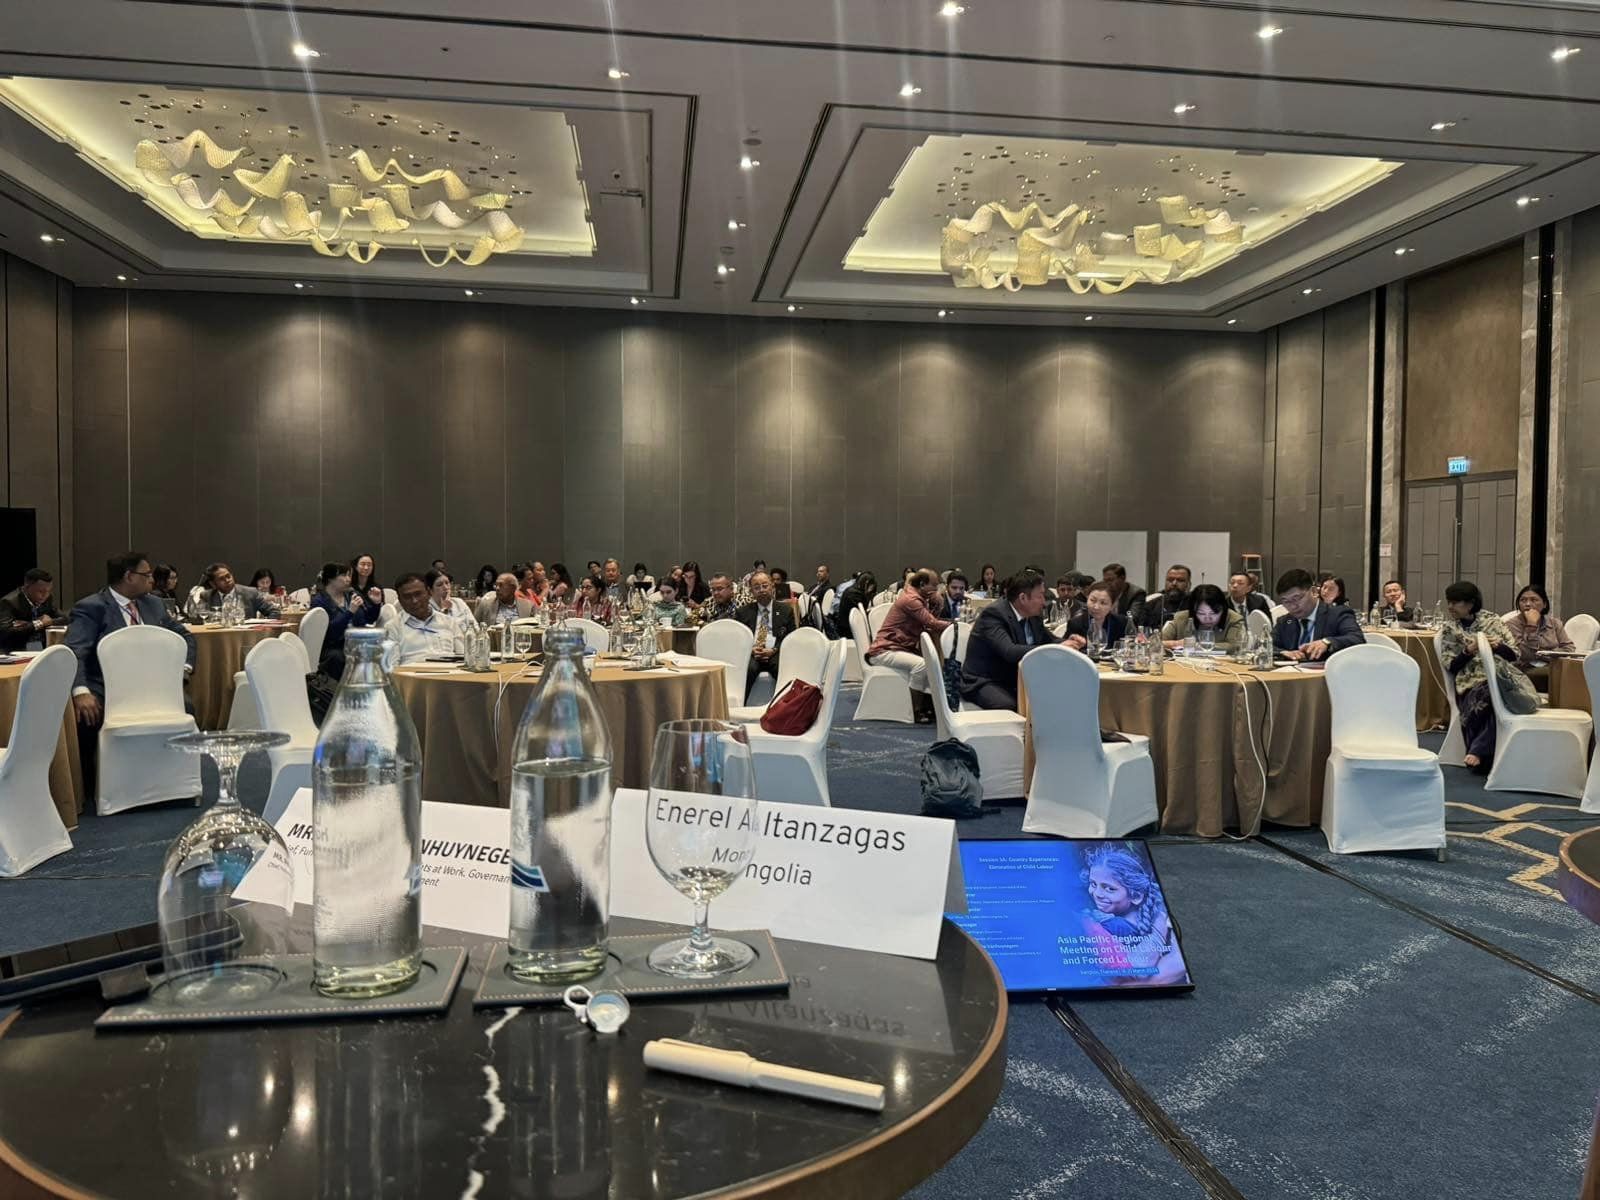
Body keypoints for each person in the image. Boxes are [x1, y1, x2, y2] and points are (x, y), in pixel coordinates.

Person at [65, 551, 197, 792]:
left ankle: (170, 779)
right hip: (106, 685)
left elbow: (184, 636)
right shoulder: (92, 607)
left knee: (186, 706)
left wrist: (183, 670)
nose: (152, 580)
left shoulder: (153, 604)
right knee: (87, 714)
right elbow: (75, 652)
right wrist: (80, 691)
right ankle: (91, 785)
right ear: (129, 576)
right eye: (147, 574)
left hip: (151, 684)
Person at [1439, 580, 1536, 771]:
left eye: (1455, 602)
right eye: (1449, 602)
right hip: (1469, 682)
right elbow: (1451, 665)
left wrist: (1497, 646)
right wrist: (1469, 650)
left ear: (1470, 603)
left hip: (1501, 677)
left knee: (1494, 690)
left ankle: (1478, 750)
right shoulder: (1450, 629)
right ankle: (1481, 753)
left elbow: (1514, 655)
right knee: (1489, 694)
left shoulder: (1493, 621)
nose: (1450, 607)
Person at [960, 569, 1054, 711]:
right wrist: (1051, 649)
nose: (1044, 602)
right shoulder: (994, 614)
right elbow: (1009, 651)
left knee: (1053, 695)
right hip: (985, 681)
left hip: (1015, 679)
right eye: (1040, 596)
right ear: (1023, 598)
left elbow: (1050, 640)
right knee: (1011, 705)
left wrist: (1069, 644)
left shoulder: (1033, 616)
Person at [865, 569, 949, 716]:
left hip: (897, 647)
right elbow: (931, 623)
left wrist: (937, 604)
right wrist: (955, 625)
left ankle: (928, 705)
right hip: (884, 650)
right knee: (922, 665)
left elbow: (929, 621)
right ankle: (915, 710)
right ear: (922, 585)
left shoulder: (918, 598)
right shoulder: (911, 600)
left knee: (930, 664)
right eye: (934, 585)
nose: (937, 589)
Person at [1271, 568, 1364, 660]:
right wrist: (1282, 652)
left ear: (1314, 592)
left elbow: (1357, 639)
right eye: (1286, 601)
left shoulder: (1337, 613)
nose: (1293, 606)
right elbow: (1267, 645)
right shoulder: (1284, 622)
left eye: (1297, 598)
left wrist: (1327, 642)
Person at [310, 561, 382, 677]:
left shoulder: (351, 595)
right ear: (330, 579)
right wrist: (349, 612)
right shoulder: (320, 601)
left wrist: (376, 604)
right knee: (338, 657)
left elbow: (368, 620)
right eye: (344, 575)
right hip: (333, 647)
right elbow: (329, 634)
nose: (348, 579)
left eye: (349, 575)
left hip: (355, 643)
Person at [736, 571, 796, 701]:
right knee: (747, 670)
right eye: (757, 587)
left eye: (765, 585)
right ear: (751, 591)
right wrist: (751, 649)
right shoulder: (743, 612)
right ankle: (739, 704)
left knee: (783, 669)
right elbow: (738, 640)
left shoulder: (785, 610)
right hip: (753, 653)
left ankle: (787, 705)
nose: (761, 590)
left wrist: (774, 650)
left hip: (776, 652)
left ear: (772, 587)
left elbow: (792, 637)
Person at [1504, 582, 1575, 692]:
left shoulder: (1555, 623)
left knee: (1578, 672)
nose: (1528, 604)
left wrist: (1543, 655)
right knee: (1560, 676)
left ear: (1544, 604)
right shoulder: (1511, 625)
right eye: (1523, 600)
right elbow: (1524, 655)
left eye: (1534, 600)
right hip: (1524, 669)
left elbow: (1569, 648)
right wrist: (1531, 625)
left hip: (1552, 666)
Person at [386, 573, 465, 664]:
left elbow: (463, 658)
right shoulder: (393, 628)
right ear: (400, 600)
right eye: (407, 597)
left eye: (418, 594)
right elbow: (392, 667)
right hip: (412, 671)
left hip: (450, 671)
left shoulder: (449, 622)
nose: (414, 601)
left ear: (429, 593)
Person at [1161, 583, 1245, 652]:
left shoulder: (1233, 619)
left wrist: (1196, 645)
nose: (1207, 618)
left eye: (1213, 613)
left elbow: (1233, 646)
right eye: (1201, 613)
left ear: (1223, 609)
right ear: (1193, 611)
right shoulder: (1181, 618)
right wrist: (1177, 644)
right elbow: (1158, 642)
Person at [0, 568, 60, 652]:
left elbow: (64, 619)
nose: (45, 595)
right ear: (27, 587)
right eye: (41, 591)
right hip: (16, 650)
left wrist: (45, 622)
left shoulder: (47, 599)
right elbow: (5, 632)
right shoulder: (9, 602)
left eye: (49, 591)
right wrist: (39, 623)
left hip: (42, 648)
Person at [196, 562, 281, 619]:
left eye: (228, 576)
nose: (227, 580)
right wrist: (219, 616)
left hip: (246, 637)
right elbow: (198, 615)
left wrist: (262, 628)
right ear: (213, 584)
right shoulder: (206, 596)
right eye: (221, 579)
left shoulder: (250, 593)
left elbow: (274, 612)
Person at [1065, 580, 1127, 652]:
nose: (1096, 607)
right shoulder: (1075, 623)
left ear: (1112, 606)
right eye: (1092, 600)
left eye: (1103, 603)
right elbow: (1066, 649)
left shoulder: (1121, 622)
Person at [1132, 564, 1191, 631]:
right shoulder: (1151, 605)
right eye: (1170, 580)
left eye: (1180, 580)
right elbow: (1141, 630)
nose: (1174, 583)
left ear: (1188, 584)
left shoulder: (1194, 604)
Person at [834, 571, 877, 638]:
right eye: (871, 587)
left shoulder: (852, 589)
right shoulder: (855, 594)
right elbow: (862, 615)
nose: (871, 590)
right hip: (848, 631)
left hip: (845, 627)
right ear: (866, 583)